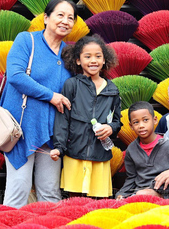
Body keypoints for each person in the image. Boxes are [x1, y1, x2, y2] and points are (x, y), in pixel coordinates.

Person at [1, 0, 77, 208]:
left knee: (50, 193)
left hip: (53, 133)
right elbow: (16, 76)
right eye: (60, 15)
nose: (65, 21)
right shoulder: (27, 40)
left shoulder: (70, 54)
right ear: (46, 18)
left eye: (71, 18)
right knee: (18, 190)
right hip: (22, 129)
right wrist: (51, 96)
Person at [50, 35, 121, 198]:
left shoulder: (113, 89)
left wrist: (110, 128)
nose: (93, 60)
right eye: (87, 56)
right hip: (74, 156)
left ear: (104, 60)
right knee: (75, 201)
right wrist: (59, 148)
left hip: (100, 157)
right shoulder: (71, 85)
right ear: (78, 61)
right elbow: (63, 119)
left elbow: (117, 122)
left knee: (98, 203)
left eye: (98, 56)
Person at [116, 101, 169, 199]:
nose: (141, 125)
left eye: (145, 120)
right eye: (136, 122)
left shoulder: (167, 146)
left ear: (155, 120)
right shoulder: (131, 149)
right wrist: (121, 194)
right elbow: (131, 178)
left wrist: (161, 192)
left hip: (166, 194)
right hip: (139, 192)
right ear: (131, 126)